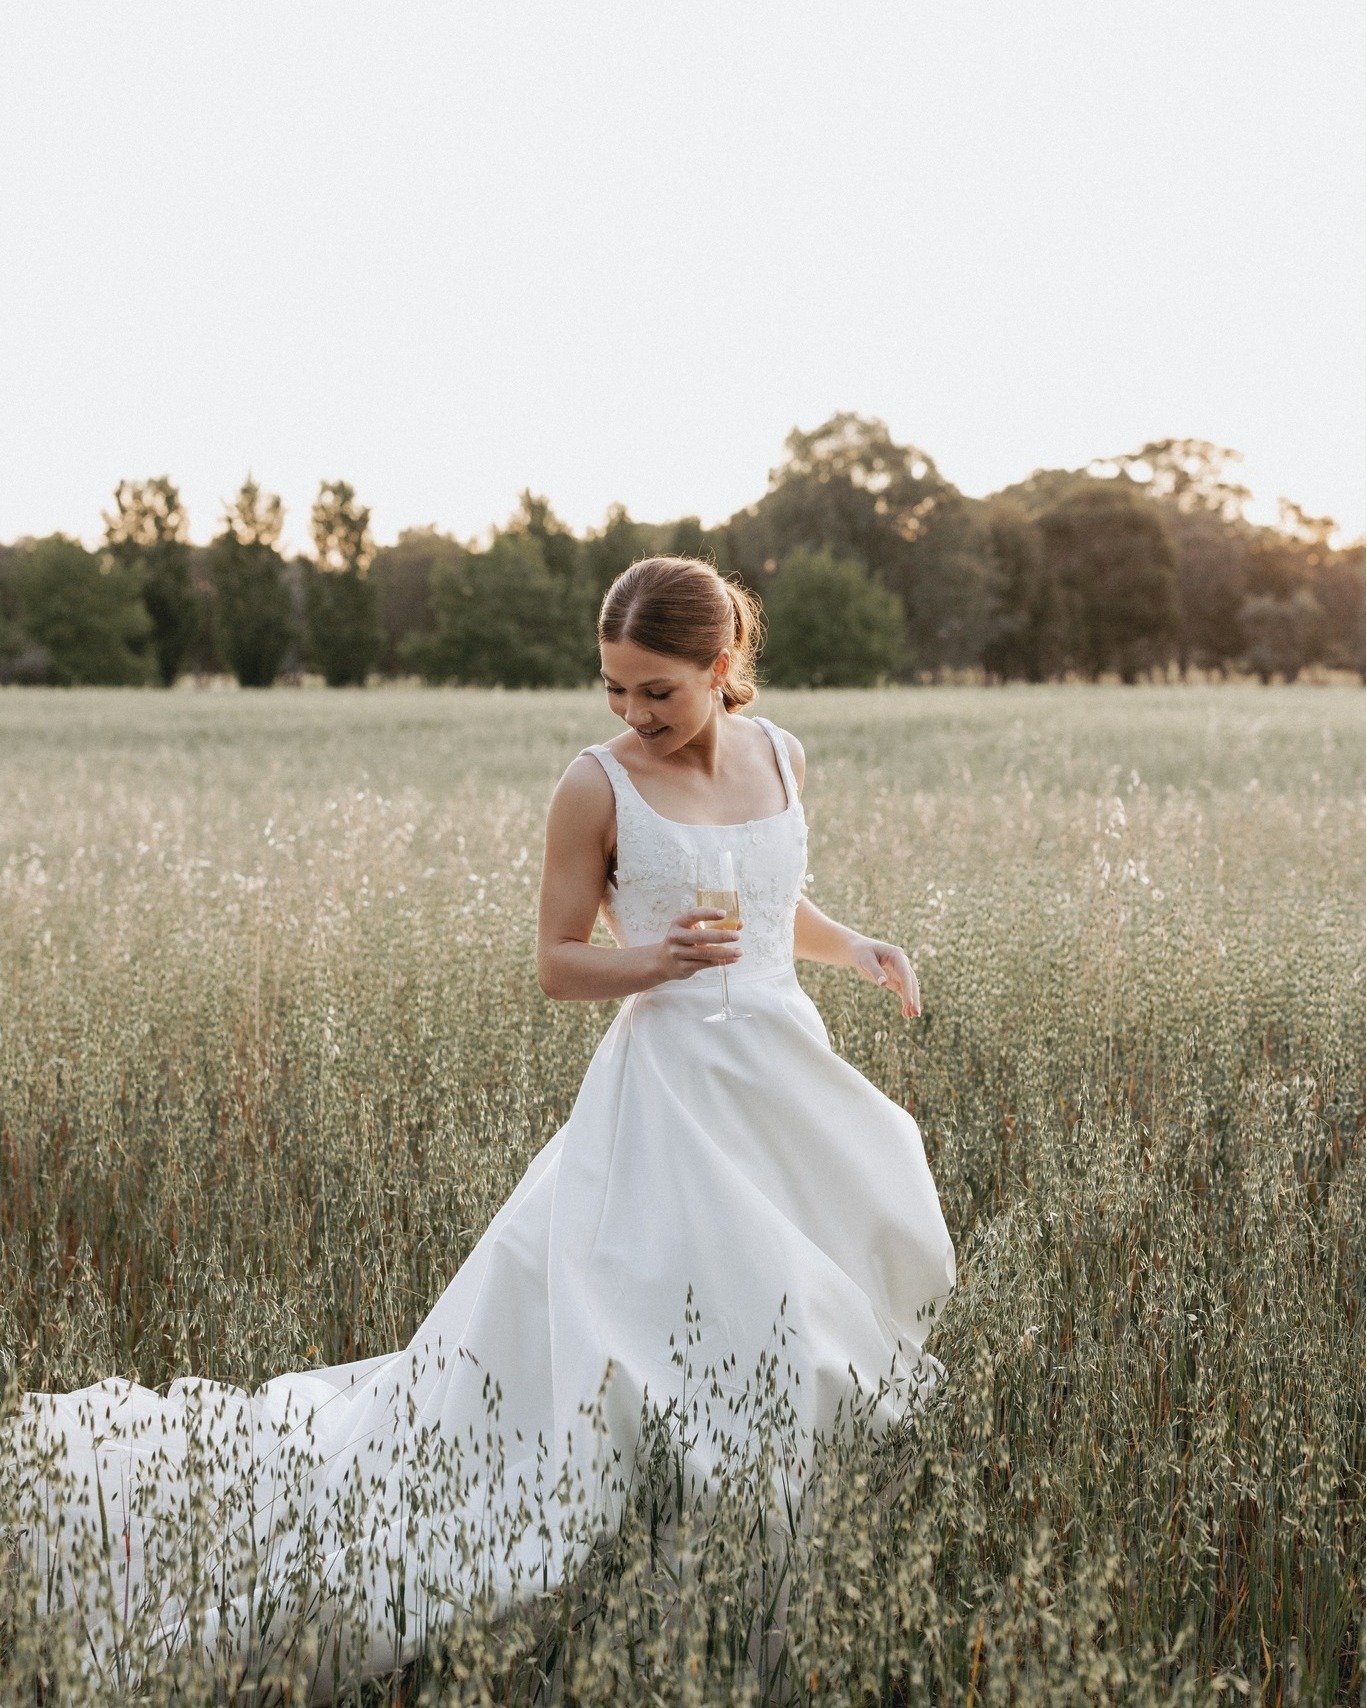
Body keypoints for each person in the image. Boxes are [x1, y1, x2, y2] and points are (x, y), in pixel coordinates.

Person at [1, 556, 956, 1703]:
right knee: (641, 1339)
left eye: (655, 690)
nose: (631, 712)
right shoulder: (594, 785)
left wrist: (853, 946)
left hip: (780, 1080)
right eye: (612, 688)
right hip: (666, 1097)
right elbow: (556, 960)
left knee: (797, 1325)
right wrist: (653, 960)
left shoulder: (781, 755)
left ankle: (751, 1569)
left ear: (720, 667)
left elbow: (766, 899)